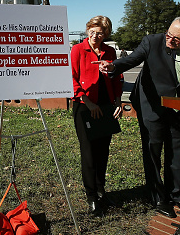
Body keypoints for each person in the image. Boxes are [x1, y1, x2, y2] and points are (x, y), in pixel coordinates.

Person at [94, 16, 180, 219]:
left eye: (176, 39)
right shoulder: (152, 41)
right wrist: (112, 67)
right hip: (152, 104)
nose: (170, 40)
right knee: (153, 151)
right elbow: (131, 60)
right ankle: (158, 198)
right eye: (169, 34)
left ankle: (178, 196)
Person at [70, 15, 123, 215]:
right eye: (92, 31)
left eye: (100, 33)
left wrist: (117, 100)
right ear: (87, 31)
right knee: (89, 152)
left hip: (105, 106)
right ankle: (91, 195)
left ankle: (101, 191)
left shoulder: (109, 51)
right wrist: (88, 101)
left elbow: (117, 78)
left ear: (106, 34)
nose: (95, 36)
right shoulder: (77, 49)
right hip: (85, 106)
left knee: (103, 150)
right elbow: (71, 79)